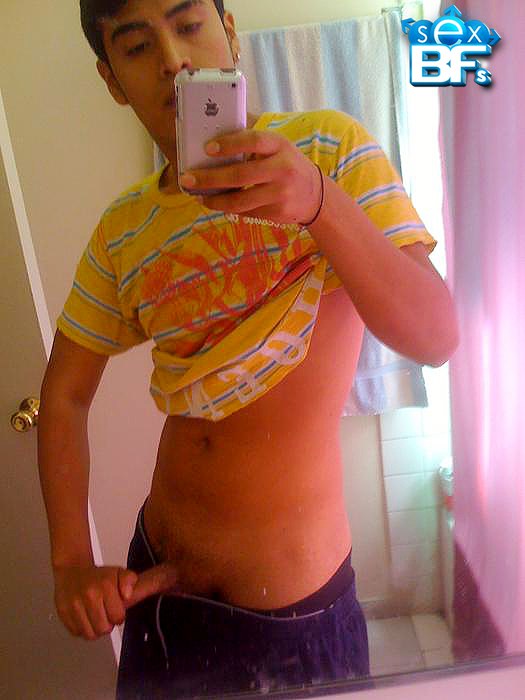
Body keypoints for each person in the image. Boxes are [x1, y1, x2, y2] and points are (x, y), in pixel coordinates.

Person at [37, 0, 460, 697]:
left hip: (291, 616)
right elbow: (64, 393)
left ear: (229, 33)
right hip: (158, 586)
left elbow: (435, 336)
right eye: (137, 47)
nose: (173, 61)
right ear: (111, 79)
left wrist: (319, 203)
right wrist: (69, 563)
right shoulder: (124, 228)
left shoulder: (326, 151)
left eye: (188, 26)